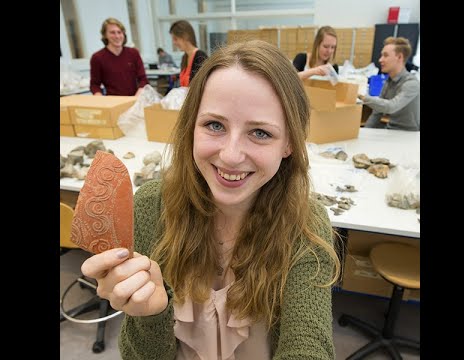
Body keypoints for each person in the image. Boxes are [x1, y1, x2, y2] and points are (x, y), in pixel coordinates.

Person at [81, 40, 340, 359]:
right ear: (192, 127)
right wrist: (149, 313)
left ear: (288, 143)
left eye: (260, 132)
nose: (230, 156)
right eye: (214, 125)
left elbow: (309, 344)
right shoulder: (154, 206)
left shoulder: (306, 222)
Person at [359, 37, 420, 131]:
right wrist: (364, 132)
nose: (380, 60)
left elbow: (391, 106)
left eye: (385, 55)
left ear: (399, 57)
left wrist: (362, 96)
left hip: (410, 135)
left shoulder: (411, 83)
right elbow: (377, 112)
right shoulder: (388, 82)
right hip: (391, 130)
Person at [90, 17, 147, 96]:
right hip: (113, 103)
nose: (117, 36)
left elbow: (143, 80)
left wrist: (136, 98)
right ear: (105, 35)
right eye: (112, 32)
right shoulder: (97, 58)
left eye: (119, 32)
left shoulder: (133, 53)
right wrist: (100, 99)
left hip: (134, 100)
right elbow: (94, 85)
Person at [169, 20, 208, 87]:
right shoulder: (185, 57)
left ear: (185, 36)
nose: (174, 43)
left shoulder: (200, 57)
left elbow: (201, 85)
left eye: (175, 39)